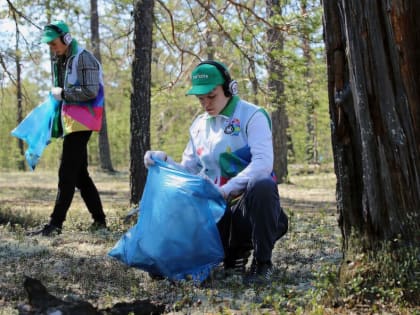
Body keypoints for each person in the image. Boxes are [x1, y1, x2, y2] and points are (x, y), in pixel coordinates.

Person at [144, 60, 288, 284]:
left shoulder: (252, 116)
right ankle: (230, 254)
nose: (206, 103)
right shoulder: (199, 125)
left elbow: (263, 163)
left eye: (211, 96)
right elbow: (189, 170)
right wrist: (165, 161)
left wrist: (227, 190)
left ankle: (262, 263)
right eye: (201, 98)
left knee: (263, 184)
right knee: (166, 266)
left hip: (246, 210)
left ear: (229, 88)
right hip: (213, 213)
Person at [34, 21, 106, 236]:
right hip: (71, 120)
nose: (52, 48)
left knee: (66, 172)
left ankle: (55, 225)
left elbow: (91, 91)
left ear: (66, 39)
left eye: (54, 43)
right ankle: (100, 221)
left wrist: (64, 94)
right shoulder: (63, 58)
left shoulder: (84, 58)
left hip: (84, 121)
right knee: (80, 174)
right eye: (49, 45)